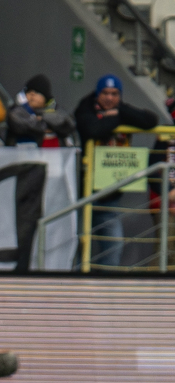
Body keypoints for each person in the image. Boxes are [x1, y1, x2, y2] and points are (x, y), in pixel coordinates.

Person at [74, 74, 159, 269]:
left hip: (110, 195)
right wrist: (116, 118)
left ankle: (105, 284)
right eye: (105, 93)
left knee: (114, 246)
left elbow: (150, 120)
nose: (109, 98)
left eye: (114, 94)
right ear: (97, 94)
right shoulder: (85, 107)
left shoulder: (120, 109)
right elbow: (92, 130)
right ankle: (75, 281)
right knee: (77, 243)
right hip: (85, 192)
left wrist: (118, 112)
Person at [6, 75, 74, 148]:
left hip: (55, 152)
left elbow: (69, 123)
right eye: (29, 91)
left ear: (45, 96)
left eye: (37, 92)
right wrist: (47, 126)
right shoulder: (17, 110)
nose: (32, 94)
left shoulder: (56, 110)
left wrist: (43, 118)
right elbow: (18, 123)